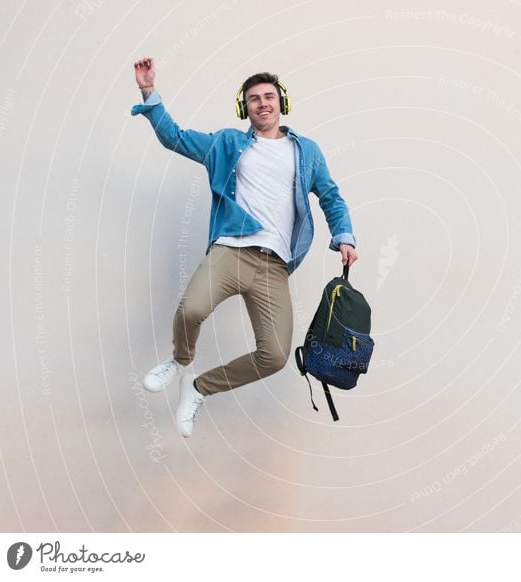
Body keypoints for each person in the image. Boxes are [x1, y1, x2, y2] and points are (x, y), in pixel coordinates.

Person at [131, 57, 358, 437]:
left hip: (274, 266)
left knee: (275, 356)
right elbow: (175, 137)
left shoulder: (307, 152)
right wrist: (148, 92)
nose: (262, 103)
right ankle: (179, 361)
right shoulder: (226, 143)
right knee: (191, 310)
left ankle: (199, 387)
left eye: (269, 96)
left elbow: (331, 197)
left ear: (281, 102)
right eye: (254, 98)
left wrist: (345, 236)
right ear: (244, 108)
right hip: (232, 250)